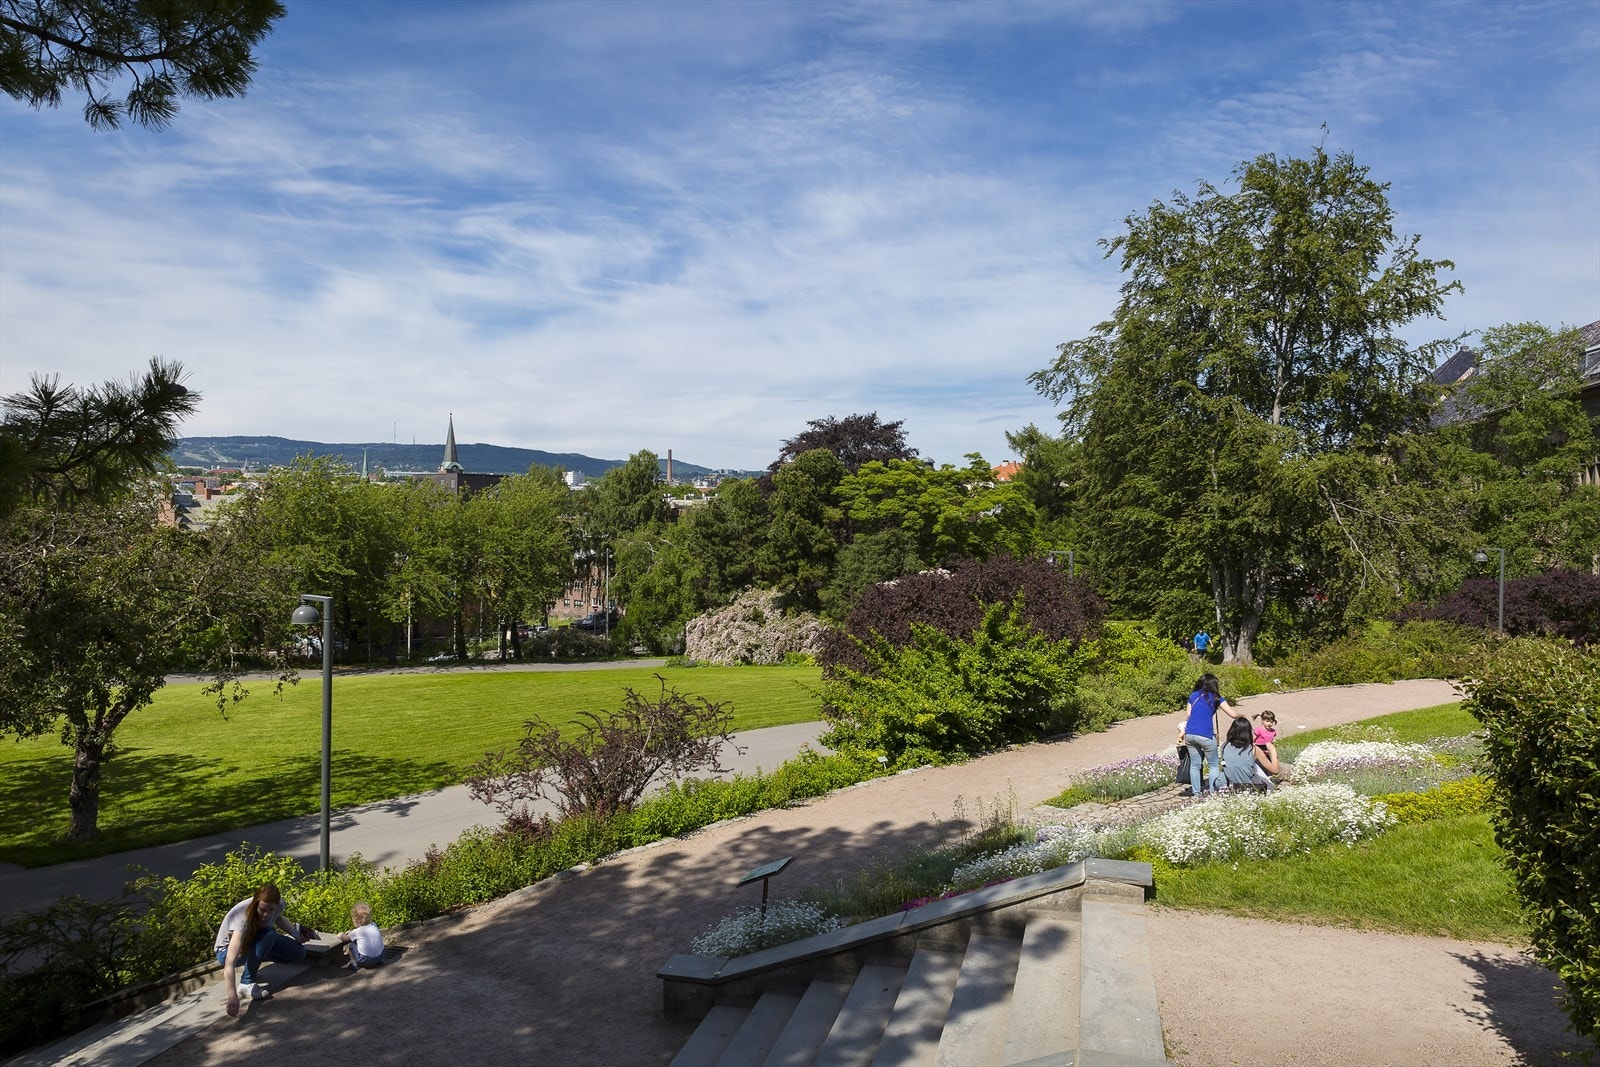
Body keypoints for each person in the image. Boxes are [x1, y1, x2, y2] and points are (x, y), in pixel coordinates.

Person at [216, 884, 313, 1017]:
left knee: (298, 953)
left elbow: (278, 918)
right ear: (256, 904)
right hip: (225, 952)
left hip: (257, 940)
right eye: (262, 910)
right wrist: (232, 996)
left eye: (271, 909)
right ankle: (246, 983)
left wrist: (296, 934)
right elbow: (229, 962)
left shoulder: (279, 904)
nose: (266, 914)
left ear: (277, 905)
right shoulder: (241, 917)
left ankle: (251, 965)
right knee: (269, 933)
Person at [1178, 673, 1246, 797]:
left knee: (1195, 765)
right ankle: (1214, 793)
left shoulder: (1193, 695)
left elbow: (1188, 715)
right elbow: (1232, 714)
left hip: (1190, 733)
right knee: (1213, 765)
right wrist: (1242, 715)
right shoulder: (1216, 697)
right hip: (1206, 735)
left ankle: (1196, 793)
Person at [1220, 715, 1274, 791]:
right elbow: (1275, 770)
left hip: (1227, 785)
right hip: (1247, 787)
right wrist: (1273, 751)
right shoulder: (1253, 749)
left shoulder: (1224, 745)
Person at [339, 902, 385, 970]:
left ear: (358, 921)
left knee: (351, 945)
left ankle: (354, 964)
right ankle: (378, 961)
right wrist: (351, 932)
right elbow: (358, 933)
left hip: (366, 961)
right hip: (381, 956)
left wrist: (340, 935)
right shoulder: (373, 925)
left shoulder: (358, 931)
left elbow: (345, 939)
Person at [1253, 711, 1283, 780]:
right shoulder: (1259, 730)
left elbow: (1271, 741)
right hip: (1258, 752)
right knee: (1258, 767)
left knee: (1268, 768)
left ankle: (1267, 779)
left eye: (1271, 722)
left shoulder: (1273, 731)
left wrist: (1271, 749)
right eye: (1267, 721)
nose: (1269, 723)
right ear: (1262, 721)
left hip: (1267, 752)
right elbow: (1253, 739)